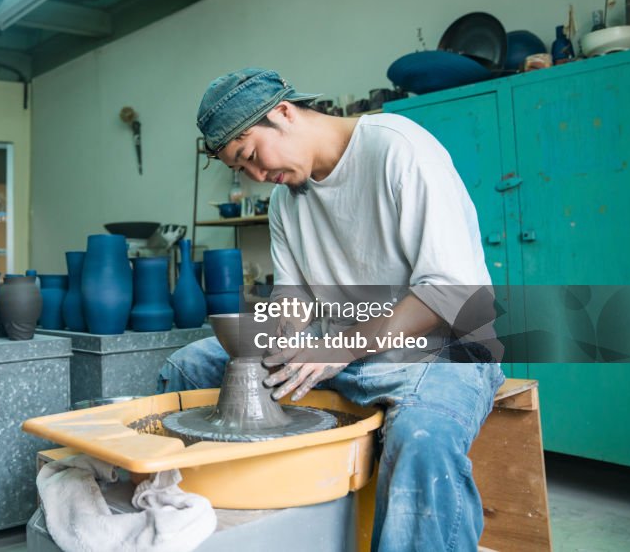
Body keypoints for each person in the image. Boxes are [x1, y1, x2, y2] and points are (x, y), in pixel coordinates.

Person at [159, 68, 504, 551]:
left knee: (422, 437)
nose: (258, 176)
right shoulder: (285, 201)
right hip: (342, 349)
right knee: (189, 364)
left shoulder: (398, 149)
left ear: (282, 113)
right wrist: (272, 331)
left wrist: (338, 347)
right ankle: (198, 528)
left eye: (253, 156)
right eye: (243, 170)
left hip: (442, 351)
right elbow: (295, 298)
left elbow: (449, 290)